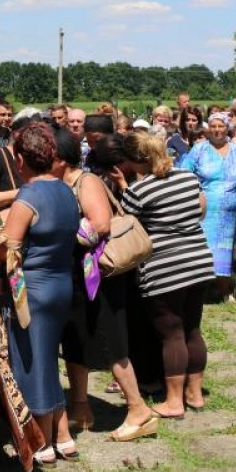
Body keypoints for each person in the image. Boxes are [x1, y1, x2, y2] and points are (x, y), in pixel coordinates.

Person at [56, 128, 156, 442]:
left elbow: (99, 225)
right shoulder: (61, 183)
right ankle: (81, 407)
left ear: (60, 158)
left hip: (100, 277)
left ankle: (139, 410)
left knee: (112, 344)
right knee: (75, 339)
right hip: (78, 276)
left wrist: (57, 232)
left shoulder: (86, 181)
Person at [0, 122, 80, 466]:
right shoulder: (65, 189)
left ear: (19, 160)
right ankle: (64, 436)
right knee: (47, 360)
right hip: (61, 285)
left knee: (32, 363)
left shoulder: (27, 196)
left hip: (33, 290)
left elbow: (10, 252)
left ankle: (40, 440)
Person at [118, 132, 214, 420]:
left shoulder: (139, 191)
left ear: (135, 161)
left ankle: (173, 402)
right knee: (192, 329)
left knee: (172, 334)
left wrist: (124, 188)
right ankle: (195, 394)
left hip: (164, 267)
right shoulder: (188, 178)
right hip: (198, 261)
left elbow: (127, 224)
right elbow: (200, 210)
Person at [179, 112, 236, 302]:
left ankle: (224, 291)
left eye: (221, 126)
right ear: (208, 128)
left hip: (231, 212)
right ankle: (200, 291)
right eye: (213, 126)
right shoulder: (199, 150)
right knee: (205, 249)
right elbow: (184, 173)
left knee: (226, 250)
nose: (217, 130)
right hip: (206, 209)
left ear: (227, 128)